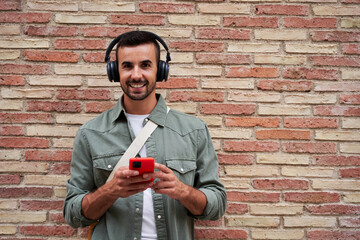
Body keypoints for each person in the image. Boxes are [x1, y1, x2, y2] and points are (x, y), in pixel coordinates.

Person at [63, 30, 227, 240]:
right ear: (114, 71)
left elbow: (218, 205)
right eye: (127, 66)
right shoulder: (90, 133)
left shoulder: (193, 131)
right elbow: (72, 214)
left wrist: (182, 190)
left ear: (160, 70)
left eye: (146, 65)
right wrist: (110, 191)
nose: (136, 75)